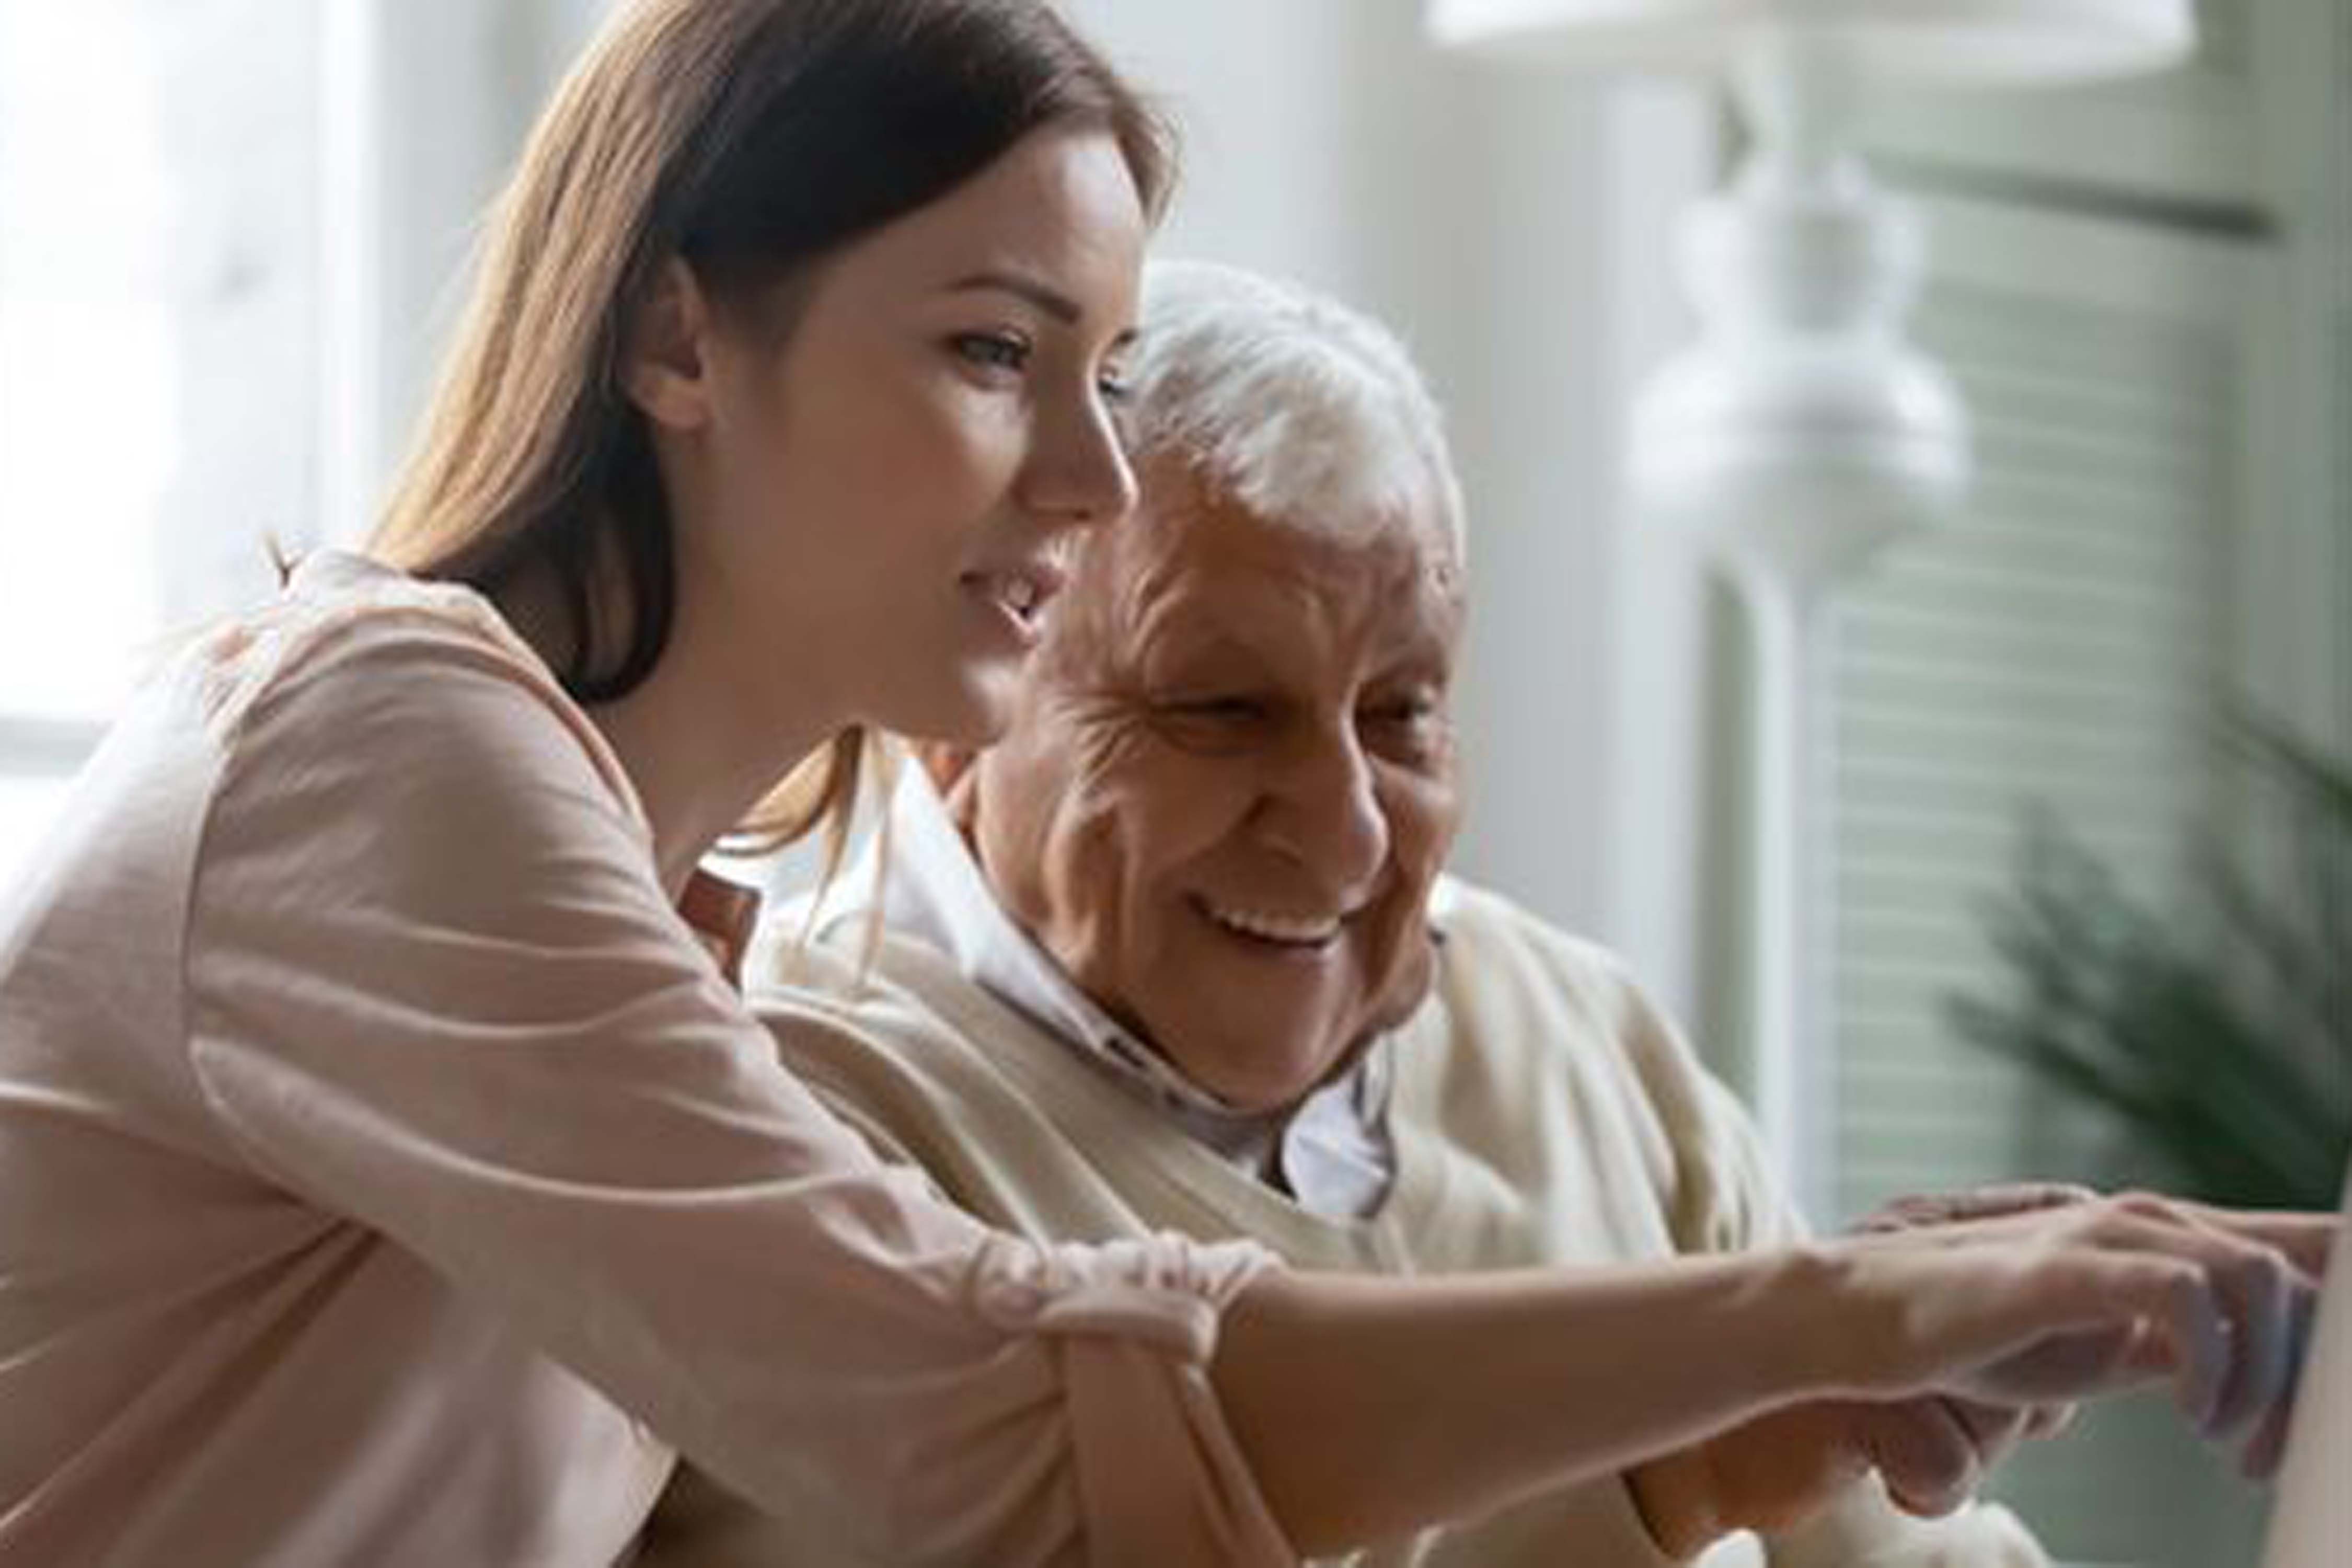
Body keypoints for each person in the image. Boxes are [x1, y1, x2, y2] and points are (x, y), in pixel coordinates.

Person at [0, 3, 2323, 1565]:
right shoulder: (374, 744)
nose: (1091, 475)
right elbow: (999, 1422)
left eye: (1103, 368)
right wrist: (1825, 1313)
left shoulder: (637, 906)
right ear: (677, 330)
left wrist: (1769, 1402)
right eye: (998, 354)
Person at [629, 258, 2260, 1566]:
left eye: (1401, 713)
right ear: (963, 703)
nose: (1342, 827)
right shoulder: (796, 1112)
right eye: (1218, 710)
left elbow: (1885, 1547)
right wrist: (1697, 1457)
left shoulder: (1571, 1029)